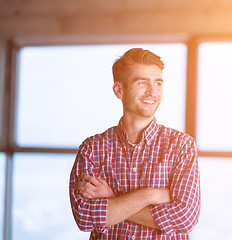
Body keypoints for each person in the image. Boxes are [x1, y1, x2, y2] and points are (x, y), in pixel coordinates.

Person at [69, 48, 201, 240]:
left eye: (158, 83)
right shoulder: (92, 149)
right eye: (142, 82)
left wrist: (112, 199)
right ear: (118, 90)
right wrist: (151, 195)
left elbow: (185, 218)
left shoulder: (181, 146)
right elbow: (85, 217)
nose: (152, 91)